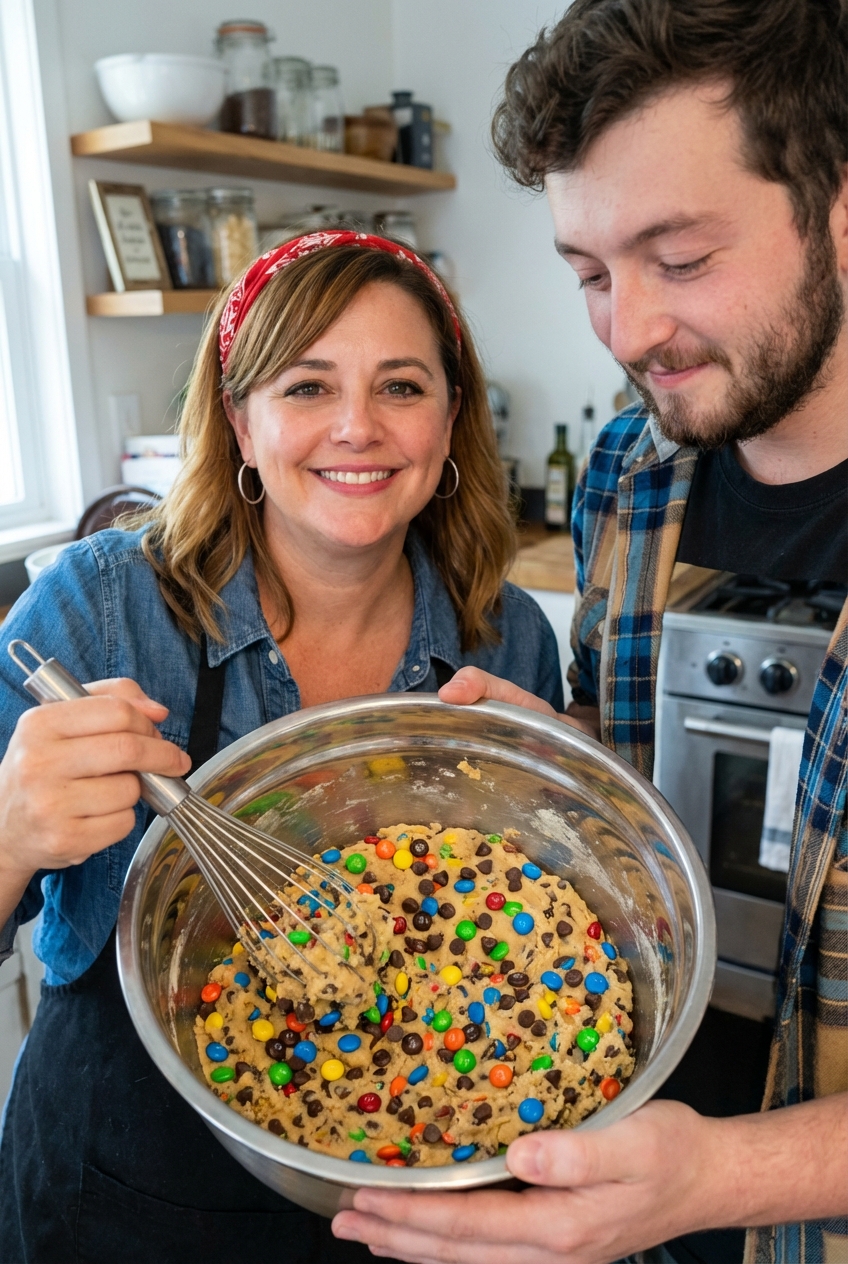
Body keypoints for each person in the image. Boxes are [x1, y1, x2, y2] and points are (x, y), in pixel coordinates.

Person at [331, 3, 848, 1262]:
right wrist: (563, 758)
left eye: (677, 260)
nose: (624, 334)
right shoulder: (631, 466)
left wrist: (721, 1174)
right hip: (614, 1182)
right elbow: (685, 802)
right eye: (587, 272)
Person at [0, 231, 564, 1263]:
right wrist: (6, 839)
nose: (357, 426)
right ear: (239, 422)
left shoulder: (504, 634)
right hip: (122, 1197)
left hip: (417, 1188)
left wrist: (569, 810)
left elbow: (543, 890)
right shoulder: (93, 613)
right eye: (306, 386)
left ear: (449, 421)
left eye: (401, 385)